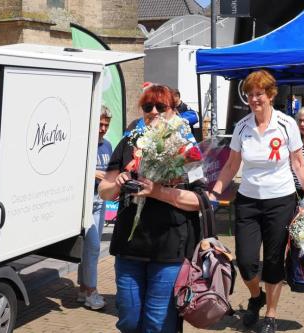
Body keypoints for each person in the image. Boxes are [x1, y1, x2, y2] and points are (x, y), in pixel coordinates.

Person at [208, 70, 304, 333]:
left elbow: (298, 163)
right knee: (245, 261)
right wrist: (214, 193)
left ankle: (271, 313)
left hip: (280, 200)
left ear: (270, 95)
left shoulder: (286, 123)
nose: (254, 99)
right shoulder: (242, 126)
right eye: (250, 94)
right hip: (248, 202)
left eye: (259, 94)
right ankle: (257, 296)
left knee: (274, 260)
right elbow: (232, 165)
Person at [98, 85, 203, 332]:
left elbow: (200, 200)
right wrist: (118, 182)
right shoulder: (128, 142)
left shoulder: (187, 149)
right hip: (129, 246)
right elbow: (104, 190)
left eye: (161, 106)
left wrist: (157, 192)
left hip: (168, 247)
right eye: (148, 107)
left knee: (158, 323)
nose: (153, 111)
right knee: (129, 319)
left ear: (172, 110)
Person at [77, 106, 113, 310]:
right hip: (85, 202)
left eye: (106, 124)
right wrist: (94, 173)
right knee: (93, 248)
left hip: (100, 201)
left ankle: (83, 289)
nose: (102, 128)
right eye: (99, 124)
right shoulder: (85, 143)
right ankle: (91, 292)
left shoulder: (107, 145)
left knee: (90, 249)